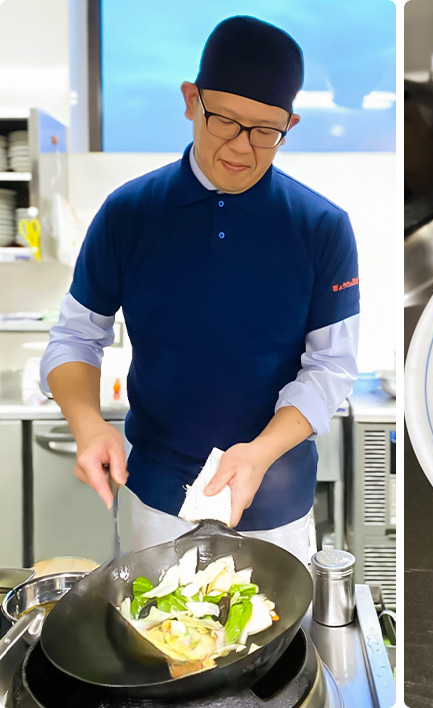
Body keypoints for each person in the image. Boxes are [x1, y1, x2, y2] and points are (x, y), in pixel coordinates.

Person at [39, 16, 360, 567]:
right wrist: (89, 424)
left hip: (275, 502)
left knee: (272, 647)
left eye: (266, 130)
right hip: (155, 500)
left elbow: (331, 368)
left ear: (291, 124)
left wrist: (259, 453)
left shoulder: (321, 225)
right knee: (156, 642)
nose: (243, 147)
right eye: (225, 121)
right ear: (192, 101)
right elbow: (74, 337)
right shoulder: (130, 213)